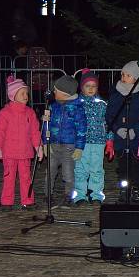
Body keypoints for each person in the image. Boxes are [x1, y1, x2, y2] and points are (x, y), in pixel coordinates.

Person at [0, 76, 43, 210]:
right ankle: (6, 201)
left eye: (26, 93)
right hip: (9, 152)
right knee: (9, 178)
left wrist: (38, 146)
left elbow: (35, 131)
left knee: (26, 178)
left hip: (25, 152)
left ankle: (27, 200)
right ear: (12, 95)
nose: (26, 96)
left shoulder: (30, 113)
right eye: (22, 93)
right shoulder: (5, 113)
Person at [106, 61, 139, 204]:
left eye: (128, 75)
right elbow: (110, 115)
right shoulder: (116, 94)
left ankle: (137, 189)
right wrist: (117, 128)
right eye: (122, 74)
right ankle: (124, 189)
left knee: (137, 166)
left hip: (136, 138)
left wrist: (135, 130)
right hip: (121, 137)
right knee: (123, 166)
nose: (124, 77)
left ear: (136, 77)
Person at [44, 75, 87, 207]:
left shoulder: (77, 108)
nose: (54, 92)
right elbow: (46, 126)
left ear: (65, 93)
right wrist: (45, 142)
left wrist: (79, 147)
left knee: (68, 174)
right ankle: (48, 195)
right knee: (50, 172)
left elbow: (81, 129)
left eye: (56, 90)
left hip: (69, 146)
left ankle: (69, 195)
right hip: (54, 144)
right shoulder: (52, 107)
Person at [74, 70, 112, 204]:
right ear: (81, 87)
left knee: (96, 169)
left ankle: (96, 193)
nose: (90, 89)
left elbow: (108, 122)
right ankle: (80, 194)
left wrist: (110, 139)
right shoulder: (76, 103)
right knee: (80, 168)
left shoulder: (102, 104)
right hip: (81, 143)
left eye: (93, 86)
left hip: (99, 141)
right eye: (87, 86)